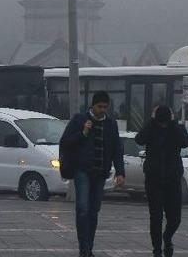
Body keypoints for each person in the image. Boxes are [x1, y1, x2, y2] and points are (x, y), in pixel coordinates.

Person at [60, 91, 125, 257]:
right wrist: (83, 133)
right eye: (99, 106)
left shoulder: (111, 124)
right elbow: (66, 142)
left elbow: (117, 149)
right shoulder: (80, 120)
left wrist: (120, 172)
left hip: (101, 172)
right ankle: (84, 249)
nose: (102, 110)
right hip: (82, 170)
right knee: (82, 208)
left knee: (94, 210)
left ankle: (89, 247)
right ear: (92, 105)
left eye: (105, 107)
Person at [135, 105, 188, 257]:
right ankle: (157, 250)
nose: (163, 125)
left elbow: (185, 142)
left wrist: (172, 123)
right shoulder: (151, 128)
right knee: (156, 217)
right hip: (154, 180)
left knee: (175, 218)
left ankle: (167, 237)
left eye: (165, 122)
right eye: (161, 122)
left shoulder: (177, 128)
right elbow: (139, 139)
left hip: (172, 180)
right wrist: (152, 121)